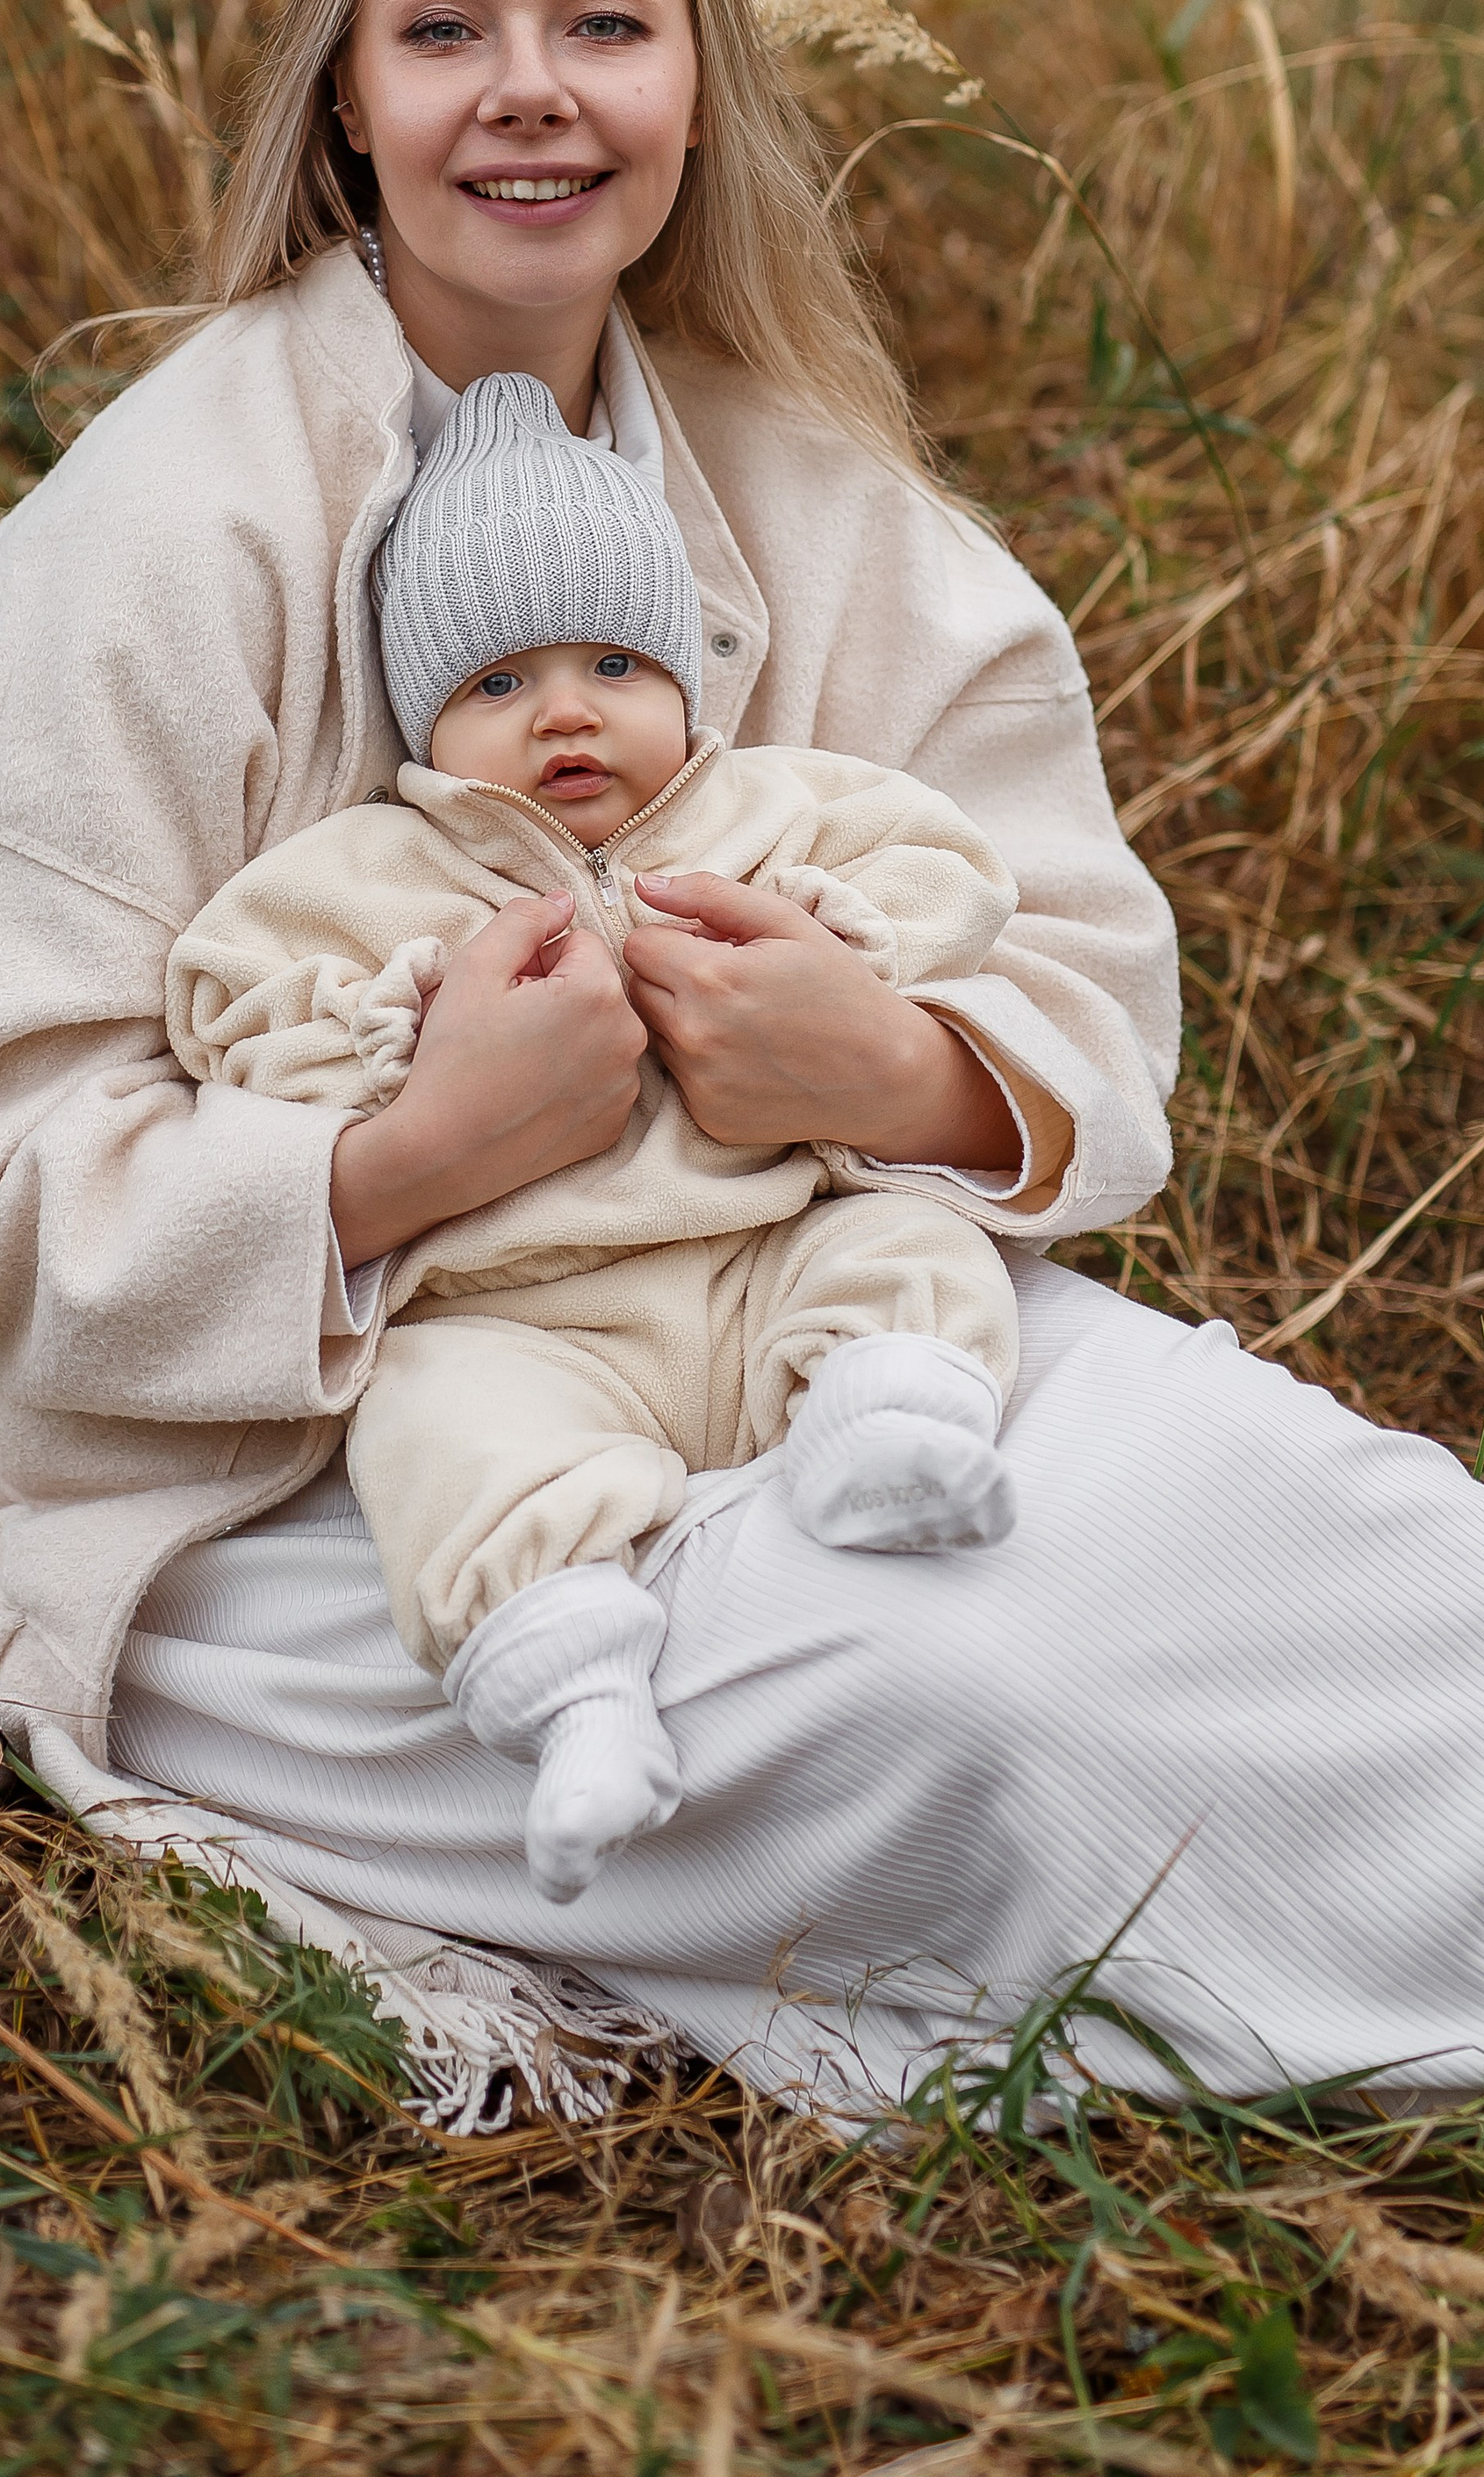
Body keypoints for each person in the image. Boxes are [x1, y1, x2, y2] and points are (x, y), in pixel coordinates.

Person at [0, 0, 1484, 2111]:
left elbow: (1083, 993)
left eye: (604, 20)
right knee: (950, 1686)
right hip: (312, 1467)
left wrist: (891, 1069)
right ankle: (1386, 2002)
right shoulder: (164, 528)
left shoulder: (808, 491)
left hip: (780, 1298)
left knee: (1284, 1493)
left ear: (699, 80)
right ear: (344, 105)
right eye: (444, 27)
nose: (531, 92)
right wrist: (415, 1151)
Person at [169, 367, 1024, 1902]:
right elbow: (226, 1003)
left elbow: (954, 865)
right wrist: (391, 1038)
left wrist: (848, 945)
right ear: (424, 719)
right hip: (526, 1312)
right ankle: (573, 1690)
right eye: (498, 683)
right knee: (432, 1421)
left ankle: (888, 1422)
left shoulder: (766, 810)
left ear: (687, 684)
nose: (565, 709)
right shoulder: (371, 870)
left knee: (905, 1239)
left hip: (763, 1245)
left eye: (615, 662)